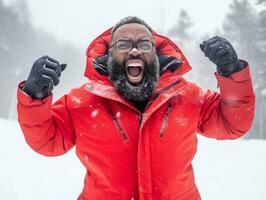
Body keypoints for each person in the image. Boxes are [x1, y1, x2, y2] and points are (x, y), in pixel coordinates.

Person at [17, 16, 255, 200]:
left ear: (155, 53)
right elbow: (47, 141)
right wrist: (35, 93)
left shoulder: (187, 95)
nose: (134, 50)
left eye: (144, 43)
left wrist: (231, 72)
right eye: (123, 44)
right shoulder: (81, 101)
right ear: (109, 55)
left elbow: (232, 123)